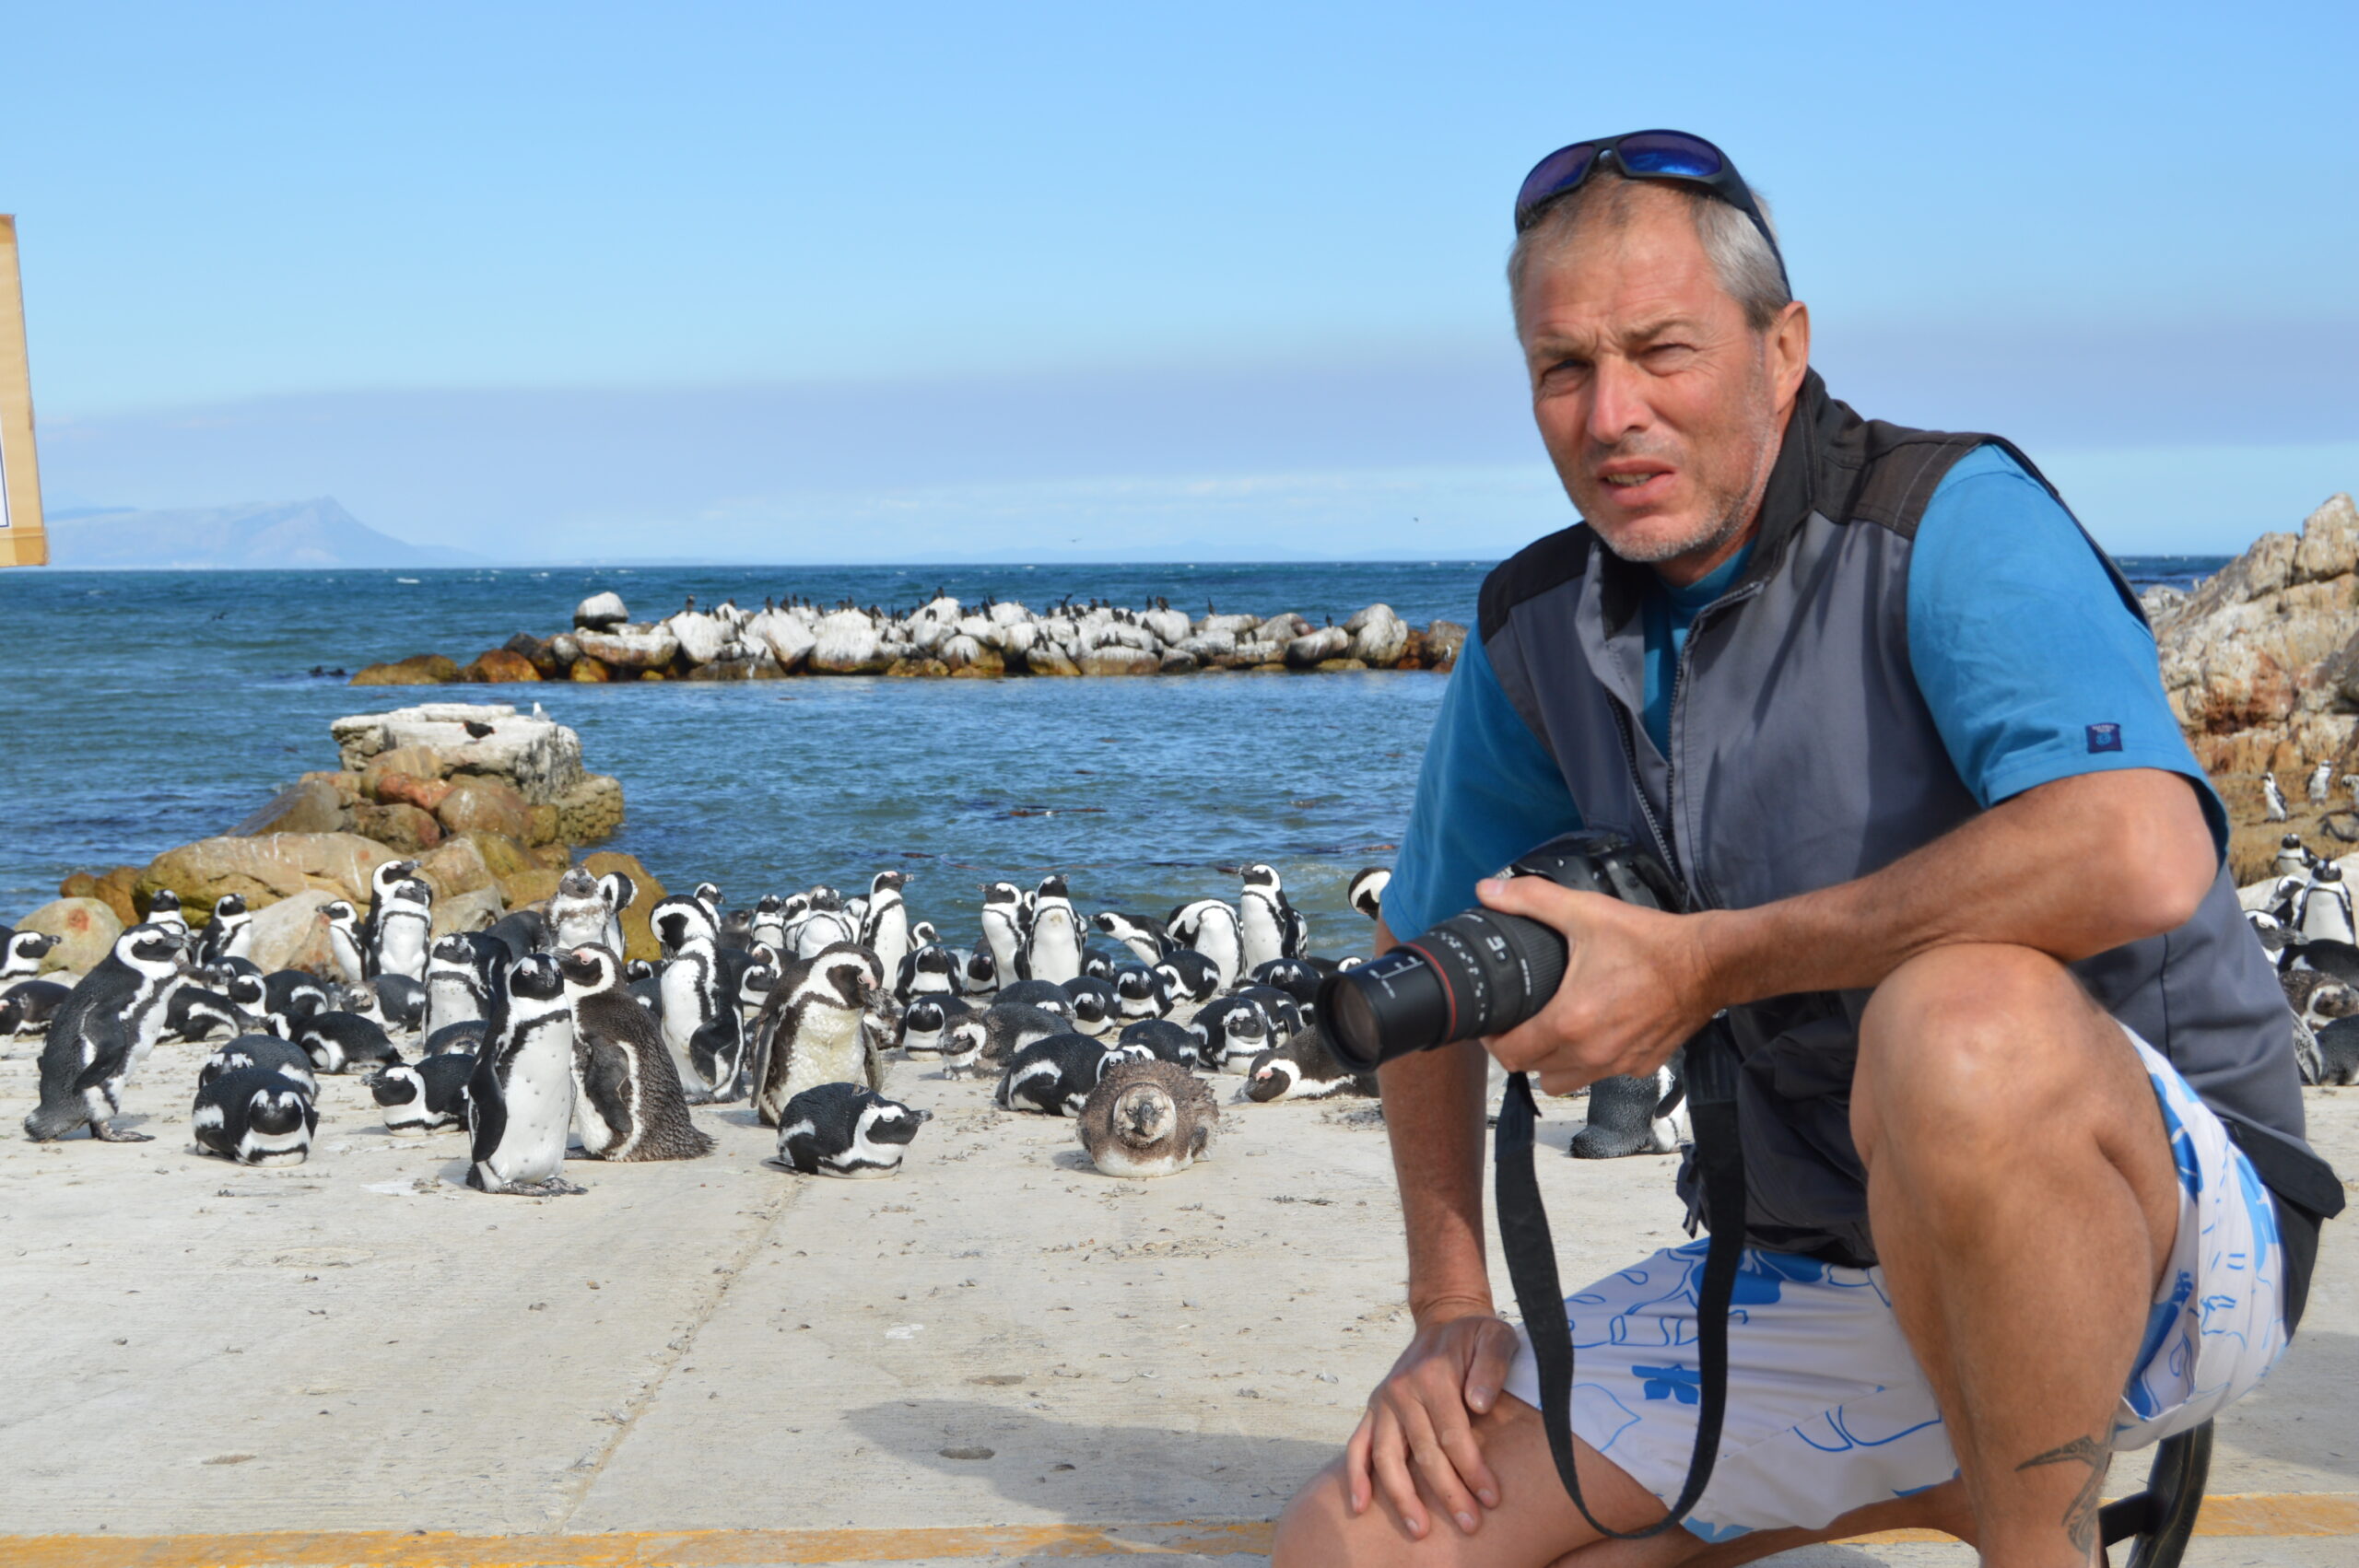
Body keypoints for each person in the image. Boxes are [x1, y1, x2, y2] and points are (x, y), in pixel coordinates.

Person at [1273, 130, 2320, 1568]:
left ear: (1783, 348)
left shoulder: (1949, 523)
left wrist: (1702, 966)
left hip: (2162, 1240)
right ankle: (1933, 1478)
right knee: (1359, 1543)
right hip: (1816, 1262)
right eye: (1563, 370)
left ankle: (2036, 1542)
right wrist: (1450, 1299)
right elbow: (1422, 953)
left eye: (1662, 350)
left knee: (1958, 1023)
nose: (1612, 413)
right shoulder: (1535, 629)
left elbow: (2141, 850)